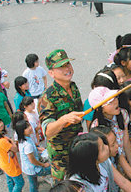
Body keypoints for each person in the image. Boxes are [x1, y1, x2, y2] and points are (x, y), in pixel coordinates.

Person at [39, 49, 84, 182]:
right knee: (64, 186)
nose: (67, 69)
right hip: (61, 156)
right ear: (51, 73)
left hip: (77, 146)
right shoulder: (48, 97)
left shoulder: (73, 87)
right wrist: (64, 120)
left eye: (68, 64)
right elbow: (47, 131)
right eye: (60, 67)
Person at [89, 86, 131, 162]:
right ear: (100, 109)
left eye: (115, 97)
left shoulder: (123, 113)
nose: (116, 102)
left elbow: (126, 140)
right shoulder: (96, 127)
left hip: (124, 157)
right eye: (110, 102)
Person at [0, 115, 25, 192]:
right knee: (20, 183)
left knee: (10, 181)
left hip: (4, 163)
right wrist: (12, 141)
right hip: (11, 165)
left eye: (0, 122)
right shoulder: (3, 140)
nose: (0, 124)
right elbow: (15, 149)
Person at [15, 120, 50, 192]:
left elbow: (29, 152)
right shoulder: (27, 145)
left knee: (33, 184)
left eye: (29, 125)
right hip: (33, 168)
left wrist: (38, 149)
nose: (30, 128)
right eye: (26, 128)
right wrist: (43, 165)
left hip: (27, 168)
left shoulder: (23, 139)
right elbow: (32, 160)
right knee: (52, 169)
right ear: (22, 131)